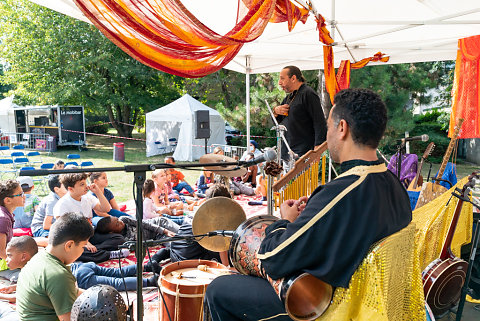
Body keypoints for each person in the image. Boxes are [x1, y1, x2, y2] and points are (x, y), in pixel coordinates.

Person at [204, 88, 413, 320]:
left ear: (342, 128)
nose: (327, 134)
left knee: (218, 290)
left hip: (331, 307)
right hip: (373, 304)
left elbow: (272, 257)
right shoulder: (395, 186)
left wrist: (285, 220)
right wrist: (314, 210)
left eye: (328, 125)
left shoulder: (341, 192)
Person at [16, 213, 94, 321]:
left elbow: (71, 290)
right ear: (69, 245)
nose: (83, 251)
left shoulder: (39, 257)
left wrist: (96, 296)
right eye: (83, 246)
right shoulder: (58, 275)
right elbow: (68, 319)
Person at [144, 184, 231, 273]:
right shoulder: (214, 219)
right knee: (225, 255)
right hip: (188, 260)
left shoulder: (200, 210)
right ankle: (162, 270)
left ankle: (153, 261)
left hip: (175, 250)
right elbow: (221, 246)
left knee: (176, 246)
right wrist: (227, 268)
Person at [53, 173, 128, 263]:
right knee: (74, 252)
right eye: (82, 184)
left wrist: (98, 192)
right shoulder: (62, 205)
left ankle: (96, 252)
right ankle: (108, 254)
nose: (86, 186)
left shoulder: (87, 197)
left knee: (119, 239)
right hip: (74, 239)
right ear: (70, 189)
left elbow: (106, 208)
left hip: (90, 234)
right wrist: (85, 243)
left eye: (85, 183)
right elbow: (65, 231)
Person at [273, 65, 327, 161]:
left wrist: (317, 148)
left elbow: (319, 122)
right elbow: (277, 122)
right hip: (287, 152)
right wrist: (276, 112)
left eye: (282, 79)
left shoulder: (308, 94)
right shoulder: (289, 97)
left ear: (293, 78)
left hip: (303, 153)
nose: (279, 83)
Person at [0, 236, 38, 321]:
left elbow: (19, 297)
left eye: (9, 256)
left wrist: (1, 296)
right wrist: (13, 287)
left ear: (23, 257)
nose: (6, 259)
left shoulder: (33, 272)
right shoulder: (29, 268)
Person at [0, 180, 25, 280]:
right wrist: (21, 265)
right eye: (20, 194)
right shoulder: (3, 219)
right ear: (8, 200)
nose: (24, 196)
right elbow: (1, 252)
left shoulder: (6, 215)